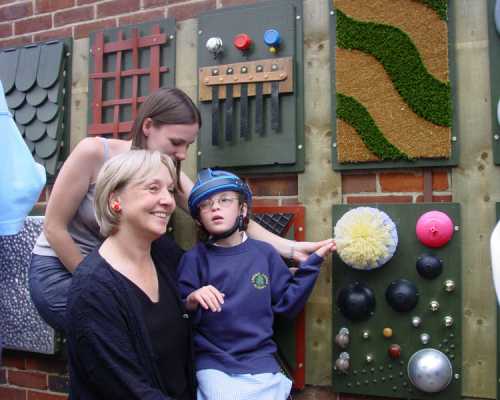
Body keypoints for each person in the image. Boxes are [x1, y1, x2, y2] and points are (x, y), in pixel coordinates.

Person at [30, 86, 330, 332]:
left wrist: (290, 250)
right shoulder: (95, 153)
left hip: (114, 274)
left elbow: (224, 214)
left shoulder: (167, 174)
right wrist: (95, 284)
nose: (183, 154)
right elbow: (53, 228)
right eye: (176, 142)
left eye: (189, 144)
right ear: (148, 127)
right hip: (63, 271)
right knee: (115, 341)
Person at [177, 169, 335, 400]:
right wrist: (192, 300)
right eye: (205, 204)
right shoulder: (193, 259)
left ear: (242, 209)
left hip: (260, 360)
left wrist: (312, 265)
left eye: (224, 200)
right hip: (213, 361)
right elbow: (176, 314)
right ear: (199, 217)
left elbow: (286, 305)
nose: (215, 208)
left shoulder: (264, 254)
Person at [67, 150, 195, 399]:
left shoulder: (166, 255)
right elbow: (128, 390)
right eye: (153, 188)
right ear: (116, 200)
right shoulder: (93, 289)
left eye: (169, 190)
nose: (168, 200)